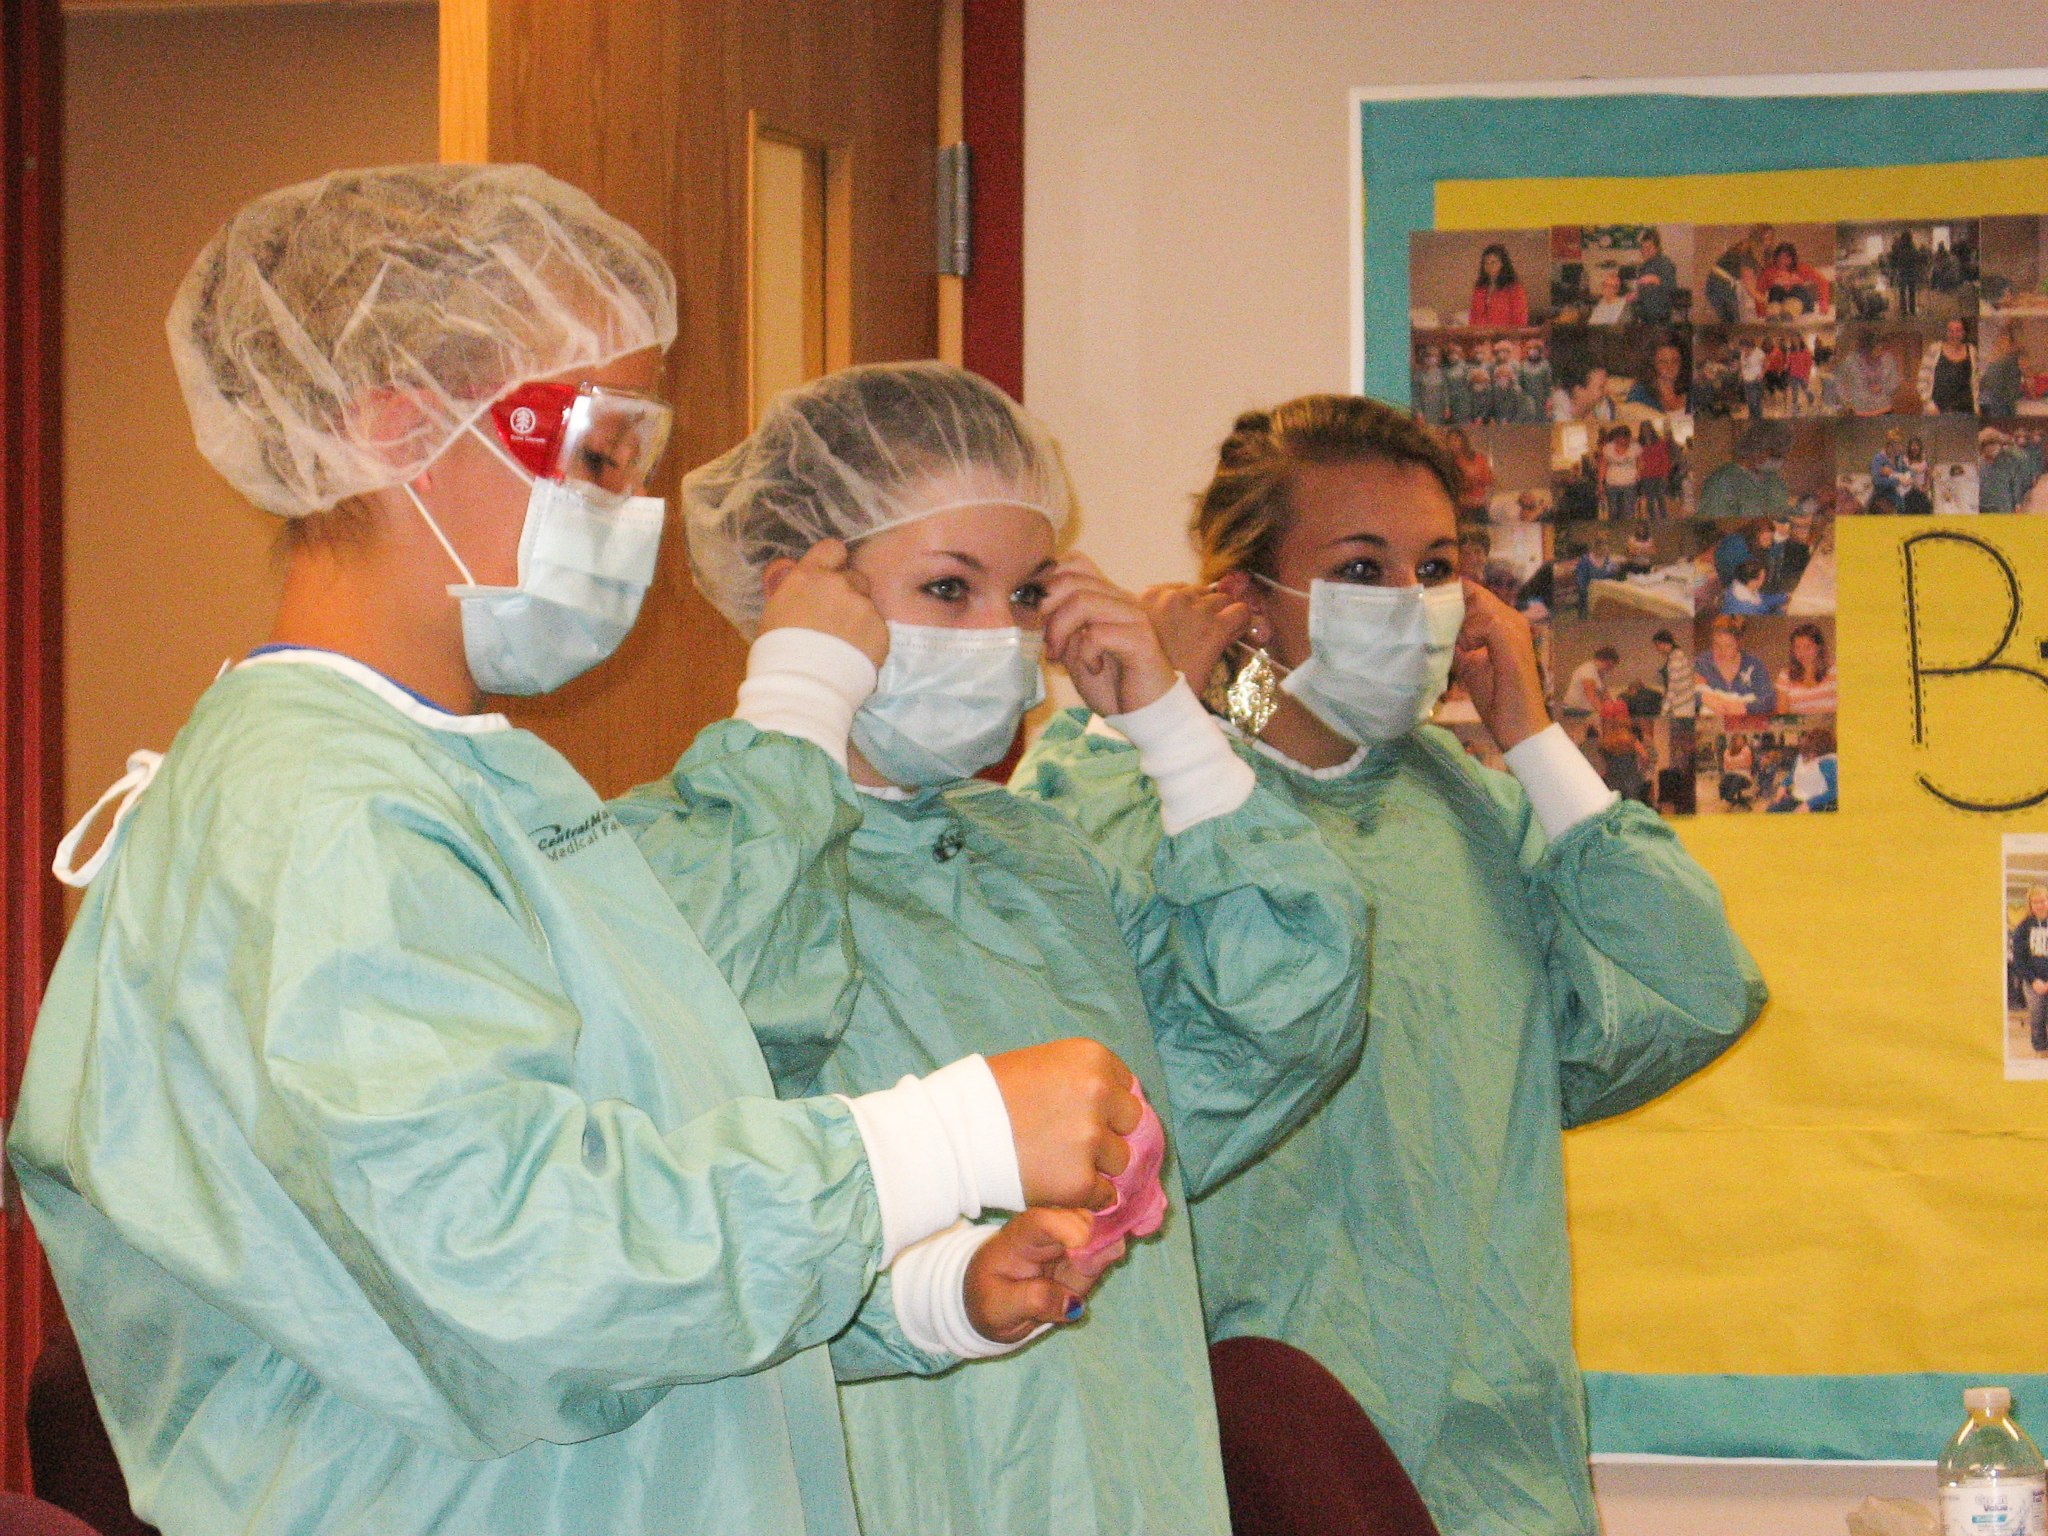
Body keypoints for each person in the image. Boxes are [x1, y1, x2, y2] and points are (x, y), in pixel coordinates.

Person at [7, 166, 1134, 1536]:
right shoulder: (311, 810)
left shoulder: (477, 778)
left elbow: (620, 1225)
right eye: (599, 455)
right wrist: (935, 1140)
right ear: (394, 427)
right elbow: (512, 1268)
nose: (635, 513)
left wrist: (907, 1294)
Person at [615, 363, 1374, 1536]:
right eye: (945, 588)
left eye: (1024, 596)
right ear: (799, 591)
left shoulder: (1038, 860)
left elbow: (1279, 1026)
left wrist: (1171, 728)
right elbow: (697, 1117)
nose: (994, 637)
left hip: (1123, 1470)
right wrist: (793, 712)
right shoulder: (673, 860)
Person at [1012, 394, 1765, 1536]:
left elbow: (1690, 993)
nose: (1407, 604)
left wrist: (1535, 740)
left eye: (1434, 567)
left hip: (1483, 1451)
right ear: (1246, 600)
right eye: (1359, 568)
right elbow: (1043, 1005)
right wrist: (1147, 718)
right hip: (1234, 1447)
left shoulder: (1467, 809)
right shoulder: (1128, 792)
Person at [1696, 614, 1777, 717]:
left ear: (1739, 643)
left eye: (1728, 646)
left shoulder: (1755, 665)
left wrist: (1745, 707)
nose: (1721, 651)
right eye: (1716, 644)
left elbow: (1769, 700)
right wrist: (1703, 698)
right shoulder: (1702, 663)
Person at [2010, 885, 2048, 1055]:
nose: (2039, 905)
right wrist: (2034, 980)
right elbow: (2019, 961)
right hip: (2033, 982)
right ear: (2030, 904)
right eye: (2035, 902)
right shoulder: (2022, 928)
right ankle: (2041, 1050)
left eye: (2043, 901)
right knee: (2037, 1017)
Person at [1767, 726, 1838, 812]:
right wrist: (1783, 785)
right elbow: (1792, 776)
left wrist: (1809, 804)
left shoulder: (1828, 761)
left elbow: (1835, 791)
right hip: (1797, 799)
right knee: (1772, 810)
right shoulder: (1800, 757)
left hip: (1818, 803)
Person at [1752, 240, 1831, 318]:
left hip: (1799, 302)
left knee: (1796, 290)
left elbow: (1822, 281)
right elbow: (1759, 291)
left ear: (1793, 259)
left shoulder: (1801, 268)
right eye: (1780, 257)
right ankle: (1774, 315)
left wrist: (1824, 303)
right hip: (1778, 304)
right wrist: (1761, 311)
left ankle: (1788, 314)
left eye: (1787, 257)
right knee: (1776, 290)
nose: (1782, 261)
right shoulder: (1769, 272)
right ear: (1775, 258)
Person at [1979, 427, 2045, 514]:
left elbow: (2015, 483)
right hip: (1984, 505)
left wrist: (2017, 502)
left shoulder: (2008, 462)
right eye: (1988, 445)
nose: (1992, 448)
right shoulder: (1979, 464)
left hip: (2004, 505)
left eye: (1995, 444)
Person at [1918, 318, 1978, 414]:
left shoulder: (1972, 351)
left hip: (1966, 410)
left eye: (1958, 330)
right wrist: (1929, 405)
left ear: (1964, 332)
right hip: (1936, 410)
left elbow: (1976, 382)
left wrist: (1977, 407)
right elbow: (1922, 381)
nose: (1954, 334)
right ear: (1946, 332)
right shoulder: (1934, 349)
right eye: (1950, 331)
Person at [1775, 622, 1836, 714]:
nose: (1801, 653)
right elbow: (1782, 714)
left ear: (1818, 647)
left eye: (1807, 647)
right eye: (1797, 647)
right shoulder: (1785, 676)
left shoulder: (1834, 671)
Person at [1839, 330, 1902, 417]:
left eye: (1883, 348)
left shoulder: (1888, 359)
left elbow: (1894, 381)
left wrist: (1882, 387)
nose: (1882, 351)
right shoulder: (1851, 360)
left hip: (1885, 408)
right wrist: (1848, 402)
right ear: (1867, 348)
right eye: (1878, 348)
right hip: (1860, 411)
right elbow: (1840, 381)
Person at [1467, 242, 1530, 327]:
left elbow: (1520, 319)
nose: (1489, 266)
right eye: (1486, 263)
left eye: (1493, 262)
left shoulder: (1514, 288)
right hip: (1481, 337)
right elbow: (1473, 316)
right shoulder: (1479, 289)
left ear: (1502, 264)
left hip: (1506, 337)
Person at [1626, 336, 1691, 417]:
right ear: (1652, 363)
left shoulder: (1692, 390)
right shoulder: (1639, 394)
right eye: (1663, 362)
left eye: (1675, 361)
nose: (1670, 367)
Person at [1629, 228, 1679, 325]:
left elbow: (1672, 287)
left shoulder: (1664, 263)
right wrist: (1636, 294)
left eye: (1648, 248)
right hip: (1645, 317)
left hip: (1659, 318)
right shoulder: (1645, 265)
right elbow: (1646, 290)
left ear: (1657, 247)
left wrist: (1656, 279)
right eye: (1642, 248)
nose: (1644, 251)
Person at [1445, 426, 1495, 519]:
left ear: (1463, 441)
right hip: (1459, 508)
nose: (1453, 443)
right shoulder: (1448, 463)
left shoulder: (1478, 458)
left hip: (1479, 506)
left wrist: (1486, 501)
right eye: (1450, 441)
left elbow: (1489, 483)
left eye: (1456, 440)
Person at [1980, 325, 2025, 420]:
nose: (2001, 344)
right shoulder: (1994, 361)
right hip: (1991, 397)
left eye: (2005, 341)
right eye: (1999, 342)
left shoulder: (2010, 360)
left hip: (1999, 401)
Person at [1561, 645, 1622, 715]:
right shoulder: (1588, 670)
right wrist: (1604, 713)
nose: (1610, 669)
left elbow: (1604, 693)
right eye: (1609, 665)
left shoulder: (1600, 672)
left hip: (1585, 709)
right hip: (1574, 709)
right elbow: (1591, 695)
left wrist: (1613, 707)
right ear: (1602, 660)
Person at [1654, 629, 1698, 719]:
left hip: (1682, 707)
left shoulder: (1675, 660)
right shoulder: (1678, 654)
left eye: (1657, 645)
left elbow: (1673, 688)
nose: (1656, 648)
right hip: (1686, 702)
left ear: (1663, 643)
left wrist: (1663, 711)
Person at [1599, 424, 1640, 521]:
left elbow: (1640, 462)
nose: (1623, 441)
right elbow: (1603, 466)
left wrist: (1639, 472)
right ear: (1615, 438)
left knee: (1629, 513)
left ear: (1628, 437)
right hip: (1612, 484)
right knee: (1613, 512)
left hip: (1629, 484)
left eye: (1625, 438)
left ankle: (1628, 532)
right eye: (1620, 438)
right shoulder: (1607, 448)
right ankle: (1615, 534)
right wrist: (1600, 483)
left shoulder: (1635, 447)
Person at [1720, 556, 1786, 616]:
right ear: (1753, 581)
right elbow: (1764, 621)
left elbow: (1761, 599)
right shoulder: (1746, 607)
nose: (1764, 580)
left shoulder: (1742, 586)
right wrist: (1781, 611)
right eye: (1763, 578)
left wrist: (1783, 597)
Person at [1637, 423, 1673, 517]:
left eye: (1647, 429)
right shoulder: (1639, 444)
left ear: (1651, 429)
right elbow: (1638, 460)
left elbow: (1665, 459)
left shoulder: (1660, 442)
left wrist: (1665, 474)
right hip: (1646, 475)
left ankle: (1664, 518)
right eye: (1643, 429)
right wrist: (1639, 473)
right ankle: (1652, 519)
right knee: (1650, 499)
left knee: (1661, 498)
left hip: (1659, 474)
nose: (1646, 432)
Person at [1412, 342, 1448, 425]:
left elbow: (1445, 392)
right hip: (1425, 412)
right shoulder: (1418, 375)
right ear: (1424, 358)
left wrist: (1447, 407)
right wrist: (1418, 412)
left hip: (1439, 410)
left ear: (1437, 358)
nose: (1431, 359)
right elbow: (1415, 395)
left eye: (1434, 356)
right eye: (1428, 356)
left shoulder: (1441, 373)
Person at [1901, 436, 1934, 516]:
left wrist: (1926, 487)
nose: (1914, 447)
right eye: (1912, 445)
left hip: (1921, 489)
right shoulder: (1904, 460)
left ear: (1920, 447)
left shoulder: (1924, 461)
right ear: (1909, 447)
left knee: (1923, 503)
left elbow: (1928, 477)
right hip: (1907, 489)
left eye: (1916, 445)